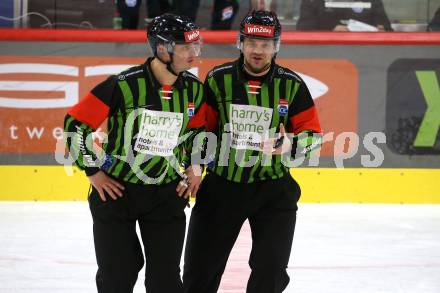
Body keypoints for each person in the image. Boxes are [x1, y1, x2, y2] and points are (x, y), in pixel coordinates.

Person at [64, 13, 205, 293]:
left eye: (196, 46)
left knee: (165, 281)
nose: (194, 54)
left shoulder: (194, 90)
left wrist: (195, 166)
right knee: (117, 275)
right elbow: (74, 126)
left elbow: (198, 134)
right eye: (185, 47)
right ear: (162, 49)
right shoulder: (122, 84)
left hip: (166, 194)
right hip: (117, 194)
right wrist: (93, 171)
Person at [183, 10, 322, 293]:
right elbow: (201, 129)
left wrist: (289, 145)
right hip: (222, 187)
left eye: (266, 44)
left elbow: (313, 134)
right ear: (240, 43)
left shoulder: (291, 85)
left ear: (276, 46)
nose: (258, 51)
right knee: (199, 272)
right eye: (252, 43)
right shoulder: (218, 79)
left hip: (273, 190)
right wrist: (195, 165)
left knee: (270, 274)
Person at [297, 0, 392, 31]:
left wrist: (381, 32)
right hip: (325, 56)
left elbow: (387, 30)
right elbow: (303, 31)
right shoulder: (312, 2)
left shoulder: (372, 2)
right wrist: (331, 34)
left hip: (365, 54)